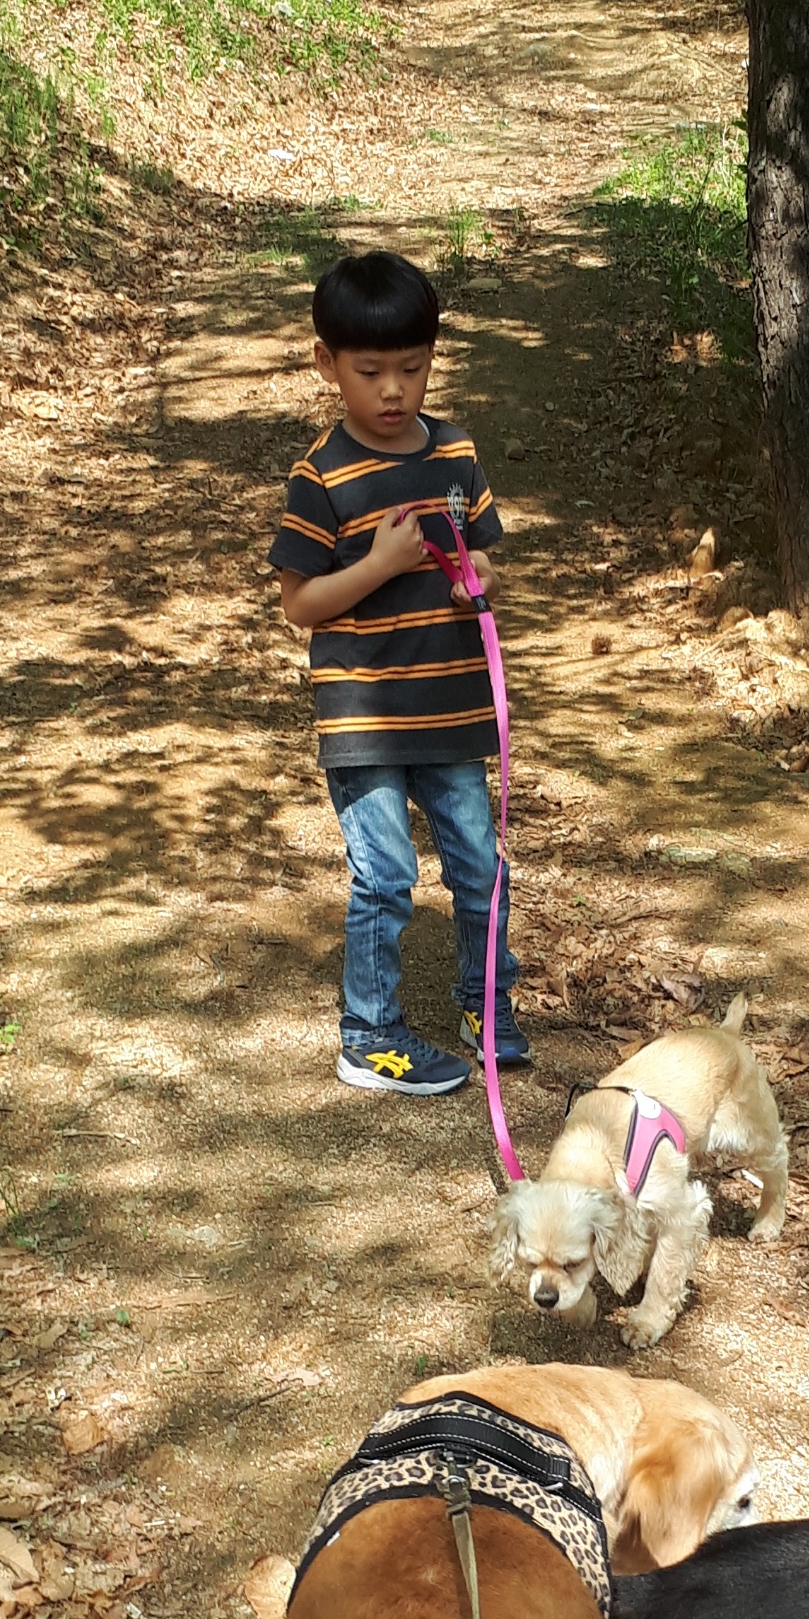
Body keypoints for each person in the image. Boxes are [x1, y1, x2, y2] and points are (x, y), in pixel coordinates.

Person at [269, 248, 528, 1096]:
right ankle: (370, 1034)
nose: (390, 391)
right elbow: (300, 605)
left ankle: (483, 1007)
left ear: (431, 361)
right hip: (364, 716)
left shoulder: (454, 454)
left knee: (480, 869)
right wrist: (379, 565)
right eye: (369, 370)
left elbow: (483, 565)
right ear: (326, 364)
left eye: (409, 370)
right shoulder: (322, 477)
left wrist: (475, 583)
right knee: (384, 874)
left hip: (449, 710)